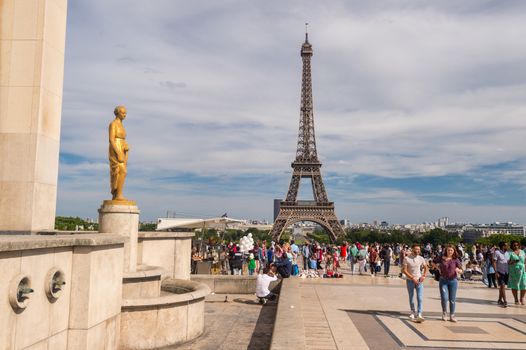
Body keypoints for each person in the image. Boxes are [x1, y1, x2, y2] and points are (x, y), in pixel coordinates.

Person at [108, 106, 130, 200]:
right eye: (123, 113)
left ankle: (118, 193)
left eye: (125, 113)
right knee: (120, 171)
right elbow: (111, 139)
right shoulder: (113, 124)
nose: (124, 115)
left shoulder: (121, 125)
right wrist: (118, 152)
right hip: (115, 147)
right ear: (117, 113)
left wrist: (125, 146)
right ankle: (118, 194)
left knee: (123, 171)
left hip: (122, 147)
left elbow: (122, 138)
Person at [402, 244, 428, 323]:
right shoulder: (406, 258)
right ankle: (413, 312)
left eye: (419, 249)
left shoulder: (421, 258)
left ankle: (419, 313)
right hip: (410, 280)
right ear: (412, 249)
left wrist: (424, 276)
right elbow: (404, 270)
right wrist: (412, 278)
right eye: (416, 249)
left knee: (420, 298)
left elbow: (426, 267)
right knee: (411, 297)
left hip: (419, 280)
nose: (418, 251)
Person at [436, 245, 463, 322]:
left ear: (454, 251)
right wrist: (438, 268)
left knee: (452, 299)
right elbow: (433, 262)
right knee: (444, 298)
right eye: (448, 250)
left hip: (453, 281)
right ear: (446, 251)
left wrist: (459, 270)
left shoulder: (456, 260)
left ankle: (452, 315)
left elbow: (462, 270)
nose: (450, 252)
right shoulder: (441, 258)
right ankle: (444, 312)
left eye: (451, 250)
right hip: (443, 281)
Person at [507, 241, 526, 305]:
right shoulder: (510, 253)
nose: (516, 246)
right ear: (512, 246)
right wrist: (514, 261)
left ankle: (522, 298)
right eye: (514, 245)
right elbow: (508, 263)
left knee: (524, 285)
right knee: (514, 285)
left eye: (517, 245)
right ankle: (516, 299)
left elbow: (525, 261)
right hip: (514, 271)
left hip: (522, 270)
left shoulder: (522, 252)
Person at [493, 242, 509, 307]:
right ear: (503, 246)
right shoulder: (497, 252)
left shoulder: (507, 253)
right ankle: (505, 301)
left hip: (506, 272)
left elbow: (508, 262)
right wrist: (496, 272)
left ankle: (499, 300)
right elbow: (494, 262)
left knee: (502, 287)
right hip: (499, 272)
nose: (508, 246)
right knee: (502, 286)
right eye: (506, 245)